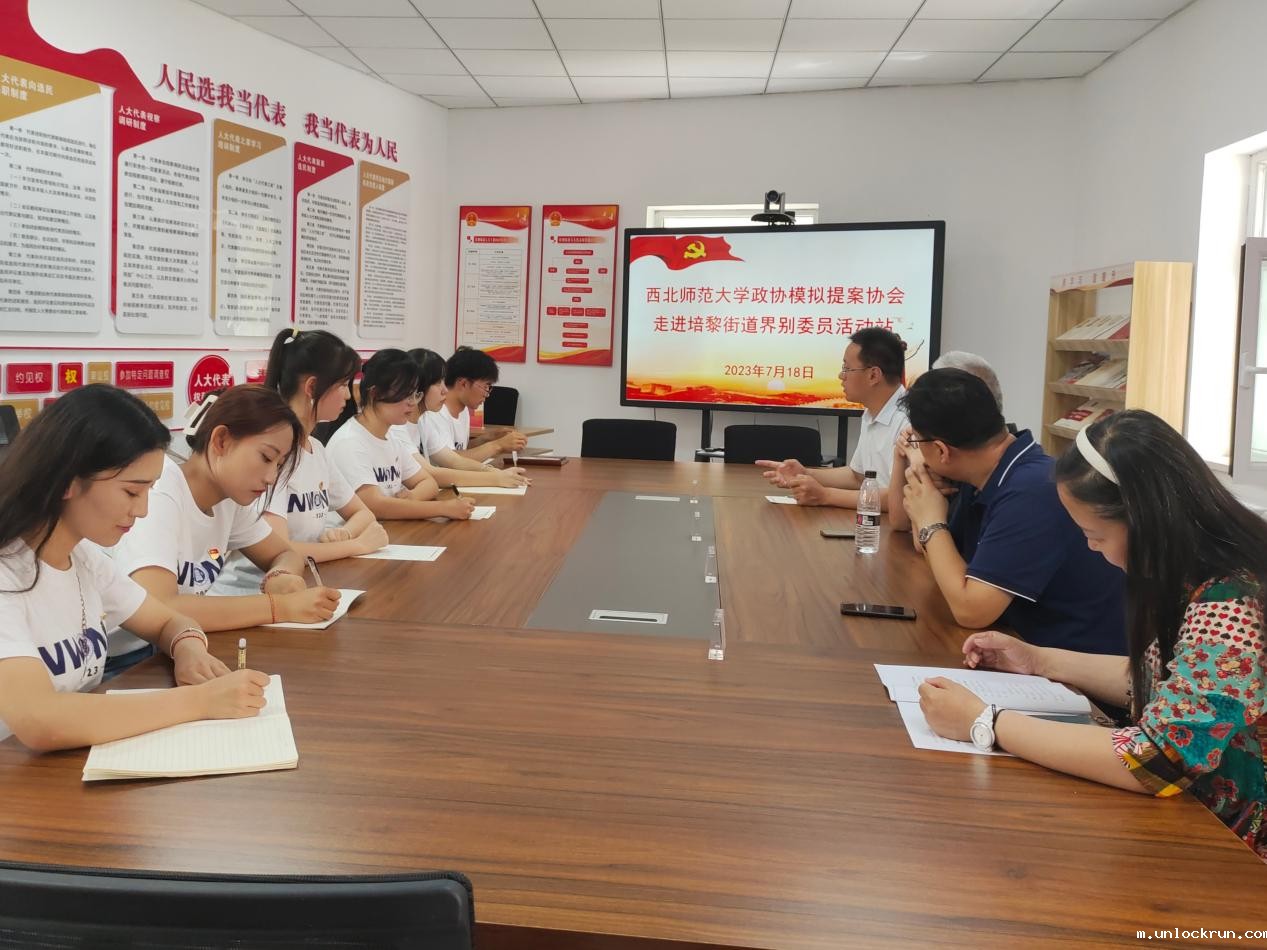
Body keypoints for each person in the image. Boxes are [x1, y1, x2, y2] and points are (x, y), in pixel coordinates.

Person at [919, 411, 1267, 861]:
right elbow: (1163, 681)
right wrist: (1038, 660)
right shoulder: (1191, 571)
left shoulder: (1230, 603)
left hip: (1235, 853)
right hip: (1196, 822)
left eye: (1094, 533)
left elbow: (1158, 759)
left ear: (1143, 520)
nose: (1090, 547)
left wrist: (985, 721)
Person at [0, 385, 269, 752]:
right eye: (131, 492)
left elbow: (168, 621)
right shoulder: (8, 576)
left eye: (148, 492)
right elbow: (40, 721)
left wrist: (188, 650)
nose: (142, 511)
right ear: (67, 482)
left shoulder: (84, 558)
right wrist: (201, 701)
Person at [898, 368, 1126, 653]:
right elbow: (933, 554)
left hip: (1075, 664)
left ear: (942, 451)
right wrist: (924, 503)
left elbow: (971, 611)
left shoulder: (1032, 491)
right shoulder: (984, 470)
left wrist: (930, 520)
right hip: (1020, 644)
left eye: (918, 443)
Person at [112, 385, 341, 649]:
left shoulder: (229, 499)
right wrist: (280, 607)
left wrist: (279, 575)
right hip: (124, 657)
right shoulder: (160, 491)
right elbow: (162, 606)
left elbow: (285, 553)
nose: (271, 477)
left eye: (279, 465)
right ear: (221, 441)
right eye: (266, 457)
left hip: (177, 645)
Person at [218, 330, 388, 595]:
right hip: (252, 594)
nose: (348, 396)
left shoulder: (316, 449)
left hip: (302, 586)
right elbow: (280, 548)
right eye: (342, 385)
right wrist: (356, 545)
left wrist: (344, 533)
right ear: (311, 387)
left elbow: (363, 513)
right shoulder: (276, 456)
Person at [757, 327, 908, 509]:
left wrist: (825, 496)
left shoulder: (909, 421)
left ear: (873, 375)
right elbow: (857, 477)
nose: (841, 376)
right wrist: (805, 474)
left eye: (846, 368)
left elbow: (901, 497)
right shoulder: (871, 413)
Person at [326, 348, 475, 521]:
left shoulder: (390, 437)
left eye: (415, 394)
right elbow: (374, 506)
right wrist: (443, 508)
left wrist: (411, 498)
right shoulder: (349, 442)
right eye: (405, 394)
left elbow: (429, 483)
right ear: (375, 393)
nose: (412, 403)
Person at [392, 348, 529, 489]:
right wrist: (495, 477)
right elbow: (430, 473)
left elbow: (454, 460)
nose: (445, 390)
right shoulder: (396, 426)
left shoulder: (423, 419)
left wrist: (493, 471)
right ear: (417, 387)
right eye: (438, 383)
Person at [422, 346, 528, 468]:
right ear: (464, 384)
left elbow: (460, 449)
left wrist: (487, 438)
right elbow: (451, 460)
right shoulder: (434, 413)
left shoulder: (463, 411)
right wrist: (498, 445)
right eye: (486, 386)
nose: (487, 394)